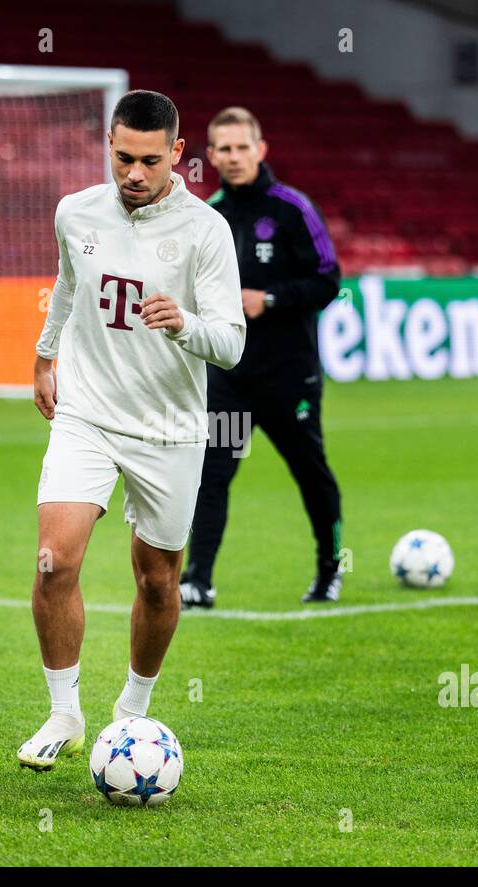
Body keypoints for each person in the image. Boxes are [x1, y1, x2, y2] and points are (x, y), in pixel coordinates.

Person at [16, 90, 245, 769]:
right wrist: (44, 354)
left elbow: (230, 343)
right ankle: (63, 712)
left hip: (168, 428)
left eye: (150, 160)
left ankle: (132, 713)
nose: (134, 174)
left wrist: (187, 324)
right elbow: (66, 284)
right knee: (55, 560)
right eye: (122, 158)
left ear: (177, 153)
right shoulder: (75, 211)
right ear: (108, 147)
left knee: (156, 580)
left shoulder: (206, 232)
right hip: (86, 413)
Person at [179, 107, 344, 609]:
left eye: (241, 147)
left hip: (288, 378)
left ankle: (328, 571)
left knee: (309, 471)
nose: (232, 157)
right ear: (211, 155)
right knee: (213, 471)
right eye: (223, 149)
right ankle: (198, 579)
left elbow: (328, 280)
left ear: (260, 150)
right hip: (231, 376)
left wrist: (267, 300)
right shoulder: (211, 215)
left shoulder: (292, 209)